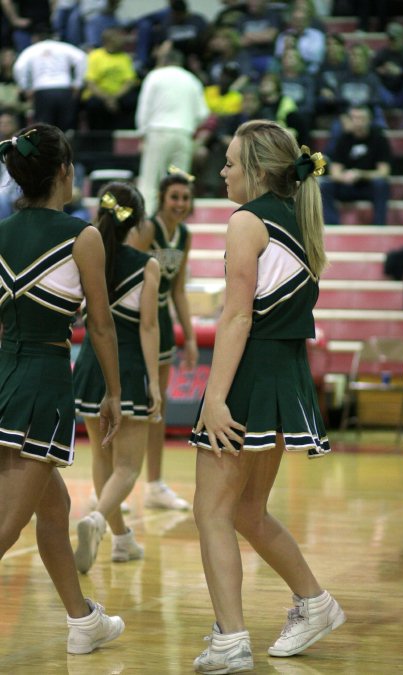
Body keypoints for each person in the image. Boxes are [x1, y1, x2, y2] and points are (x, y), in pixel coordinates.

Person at [189, 120, 346, 673]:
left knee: (211, 510)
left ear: (256, 169)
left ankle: (231, 640)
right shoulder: (299, 223)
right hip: (285, 378)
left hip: (251, 377)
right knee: (248, 511)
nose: (224, 170)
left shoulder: (247, 222)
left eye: (231, 162)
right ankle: (316, 602)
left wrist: (213, 397)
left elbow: (236, 316)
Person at [0, 123, 124, 653]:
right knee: (5, 526)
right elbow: (100, 324)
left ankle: (82, 621)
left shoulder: (0, 233)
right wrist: (114, 393)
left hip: (4, 373)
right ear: (64, 172)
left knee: (53, 511)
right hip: (44, 382)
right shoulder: (83, 236)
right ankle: (82, 621)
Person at [73, 181, 161, 573]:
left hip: (90, 366)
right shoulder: (147, 265)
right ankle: (96, 520)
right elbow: (148, 327)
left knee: (101, 457)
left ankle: (122, 540)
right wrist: (155, 384)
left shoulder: (86, 258)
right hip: (126, 370)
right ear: (137, 223)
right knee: (127, 467)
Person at [127, 170, 197, 510]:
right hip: (134, 323)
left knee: (159, 406)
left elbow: (179, 290)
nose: (180, 204)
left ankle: (154, 485)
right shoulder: (147, 229)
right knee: (127, 402)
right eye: (174, 197)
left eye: (185, 197)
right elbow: (124, 275)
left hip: (163, 326)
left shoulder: (185, 235)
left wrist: (192, 337)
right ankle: (111, 482)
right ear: (162, 198)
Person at [135, 45, 209, 214]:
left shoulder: (155, 76)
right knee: (180, 182)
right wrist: (189, 124)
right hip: (184, 133)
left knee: (150, 182)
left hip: (158, 131)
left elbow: (144, 108)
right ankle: (177, 223)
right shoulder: (192, 80)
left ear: (164, 60)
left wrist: (142, 133)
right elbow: (203, 113)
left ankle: (145, 223)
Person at [319, 105, 392, 226]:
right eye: (355, 118)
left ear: (369, 120)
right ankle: (332, 225)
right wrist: (345, 177)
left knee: (381, 184)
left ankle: (379, 225)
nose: (358, 122)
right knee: (325, 186)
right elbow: (334, 172)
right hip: (347, 185)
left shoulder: (379, 139)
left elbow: (384, 172)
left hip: (368, 186)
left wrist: (361, 174)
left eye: (362, 118)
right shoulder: (343, 139)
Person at [12, 29, 87, 131]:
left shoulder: (32, 49)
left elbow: (19, 67)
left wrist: (26, 88)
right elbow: (82, 58)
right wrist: (78, 84)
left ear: (36, 38)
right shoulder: (63, 46)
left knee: (44, 129)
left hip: (42, 90)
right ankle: (67, 146)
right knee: (67, 127)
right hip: (64, 88)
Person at [82, 27, 140, 131]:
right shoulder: (95, 56)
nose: (122, 42)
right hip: (99, 96)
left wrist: (114, 98)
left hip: (119, 95)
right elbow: (90, 82)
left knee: (132, 101)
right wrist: (107, 98)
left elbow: (130, 81)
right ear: (108, 41)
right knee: (93, 104)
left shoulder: (124, 57)